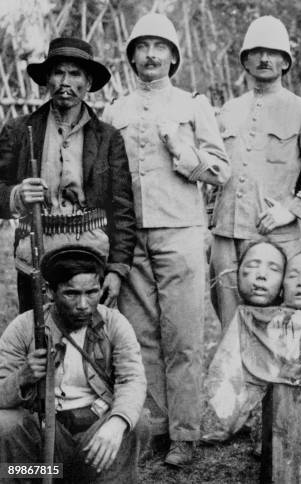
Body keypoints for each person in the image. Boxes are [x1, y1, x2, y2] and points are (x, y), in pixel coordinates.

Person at [102, 13, 230, 467]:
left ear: (174, 57)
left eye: (160, 47)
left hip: (181, 230)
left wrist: (184, 152)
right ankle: (154, 426)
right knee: (139, 336)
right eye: (142, 47)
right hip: (130, 236)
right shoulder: (114, 109)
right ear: (131, 55)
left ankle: (185, 433)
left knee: (184, 335)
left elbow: (220, 170)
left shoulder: (192, 105)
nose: (151, 55)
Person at [210, 15, 301, 328]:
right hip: (226, 236)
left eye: (273, 53)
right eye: (256, 52)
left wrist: (295, 209)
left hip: (274, 233)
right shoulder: (229, 110)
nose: (265, 58)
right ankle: (235, 378)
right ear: (245, 60)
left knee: (280, 323)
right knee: (230, 324)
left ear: (285, 62)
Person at [0, 37, 136, 313]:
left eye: (75, 74)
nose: (66, 82)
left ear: (88, 83)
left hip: (92, 257)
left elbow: (122, 210)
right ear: (46, 79)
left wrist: (117, 270)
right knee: (40, 340)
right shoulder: (18, 131)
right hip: (35, 255)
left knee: (91, 343)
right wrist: (17, 195)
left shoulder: (108, 138)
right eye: (58, 72)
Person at [0, 245, 148, 482]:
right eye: (71, 293)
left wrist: (117, 423)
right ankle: (34, 477)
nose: (83, 304)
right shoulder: (24, 327)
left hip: (95, 441)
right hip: (44, 451)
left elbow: (133, 380)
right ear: (50, 292)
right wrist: (23, 376)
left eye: (92, 292)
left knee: (136, 421)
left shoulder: (114, 324)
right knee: (5, 423)